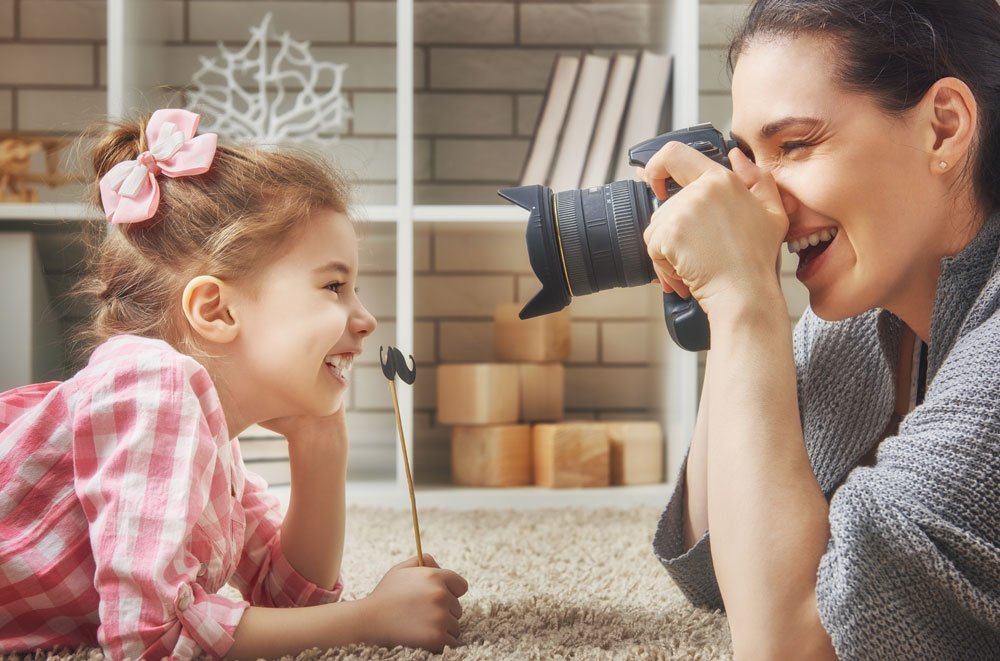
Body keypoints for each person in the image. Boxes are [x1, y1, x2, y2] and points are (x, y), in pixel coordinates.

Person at [0, 109, 468, 659]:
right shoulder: (152, 386)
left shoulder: (207, 444)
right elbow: (151, 639)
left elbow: (288, 602)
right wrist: (368, 621)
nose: (365, 320)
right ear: (216, 310)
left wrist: (321, 444)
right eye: (335, 285)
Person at [640, 0, 1000, 658]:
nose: (765, 204)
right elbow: (718, 564)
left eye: (796, 145)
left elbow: (790, 643)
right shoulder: (864, 318)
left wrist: (745, 300)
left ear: (943, 129)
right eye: (748, 158)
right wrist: (727, 305)